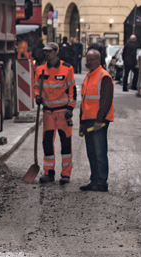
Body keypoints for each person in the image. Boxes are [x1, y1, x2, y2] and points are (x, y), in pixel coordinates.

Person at [34, 42, 77, 185]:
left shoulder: (67, 68)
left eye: (49, 51)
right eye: (45, 51)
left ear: (56, 52)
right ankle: (49, 173)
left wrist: (70, 107)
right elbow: (36, 87)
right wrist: (37, 97)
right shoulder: (40, 69)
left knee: (65, 143)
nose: (46, 53)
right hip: (48, 112)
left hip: (63, 112)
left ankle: (65, 174)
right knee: (47, 143)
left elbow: (72, 90)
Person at [79, 50, 114, 192]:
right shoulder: (88, 77)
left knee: (99, 152)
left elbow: (105, 100)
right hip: (88, 120)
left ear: (99, 60)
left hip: (98, 121)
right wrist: (81, 121)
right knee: (91, 153)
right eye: (87, 59)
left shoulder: (104, 76)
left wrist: (99, 120)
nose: (88, 62)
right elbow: (84, 101)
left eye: (92, 59)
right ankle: (94, 181)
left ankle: (101, 182)